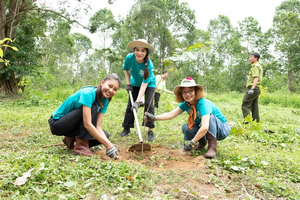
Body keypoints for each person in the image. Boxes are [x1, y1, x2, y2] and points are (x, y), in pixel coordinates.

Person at [144, 77, 231, 158]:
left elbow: (205, 126)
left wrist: (192, 142)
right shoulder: (186, 104)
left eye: (190, 91)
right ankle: (202, 143)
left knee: (210, 118)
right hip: (206, 128)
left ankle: (212, 147)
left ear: (196, 91)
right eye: (184, 92)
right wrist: (154, 118)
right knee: (186, 127)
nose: (187, 94)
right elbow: (171, 114)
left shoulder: (203, 104)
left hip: (221, 129)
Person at [48, 74, 120, 159]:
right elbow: (87, 124)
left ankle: (71, 138)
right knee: (92, 108)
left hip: (72, 126)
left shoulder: (105, 101)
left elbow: (98, 127)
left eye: (115, 89)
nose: (111, 90)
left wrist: (110, 145)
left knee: (105, 136)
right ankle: (81, 147)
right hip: (58, 124)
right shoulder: (88, 93)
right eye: (110, 86)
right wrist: (108, 145)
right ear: (102, 82)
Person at [120, 39, 156, 141]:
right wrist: (128, 84)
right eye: (137, 50)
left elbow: (144, 86)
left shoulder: (149, 65)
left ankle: (150, 131)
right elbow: (125, 70)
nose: (139, 53)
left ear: (146, 52)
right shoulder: (129, 58)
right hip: (135, 83)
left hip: (149, 84)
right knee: (130, 105)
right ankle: (126, 128)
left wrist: (137, 102)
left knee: (149, 104)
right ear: (134, 50)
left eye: (143, 51)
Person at [241, 52, 263, 123]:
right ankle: (256, 124)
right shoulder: (258, 65)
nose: (250, 59)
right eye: (249, 57)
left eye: (251, 57)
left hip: (253, 89)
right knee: (254, 107)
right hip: (257, 89)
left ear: (256, 58)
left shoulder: (255, 66)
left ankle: (247, 124)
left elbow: (256, 78)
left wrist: (252, 88)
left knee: (245, 105)